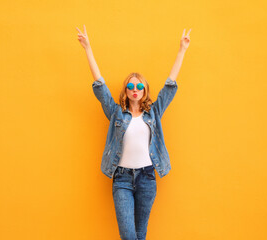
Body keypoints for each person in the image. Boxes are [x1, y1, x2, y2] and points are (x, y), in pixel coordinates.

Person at [76, 25, 191, 240]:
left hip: (147, 177)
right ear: (126, 90)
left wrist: (182, 50)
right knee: (129, 235)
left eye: (139, 86)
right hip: (122, 179)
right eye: (130, 86)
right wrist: (87, 48)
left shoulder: (154, 113)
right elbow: (100, 88)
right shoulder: (117, 113)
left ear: (145, 90)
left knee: (140, 233)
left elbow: (169, 87)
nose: (135, 89)